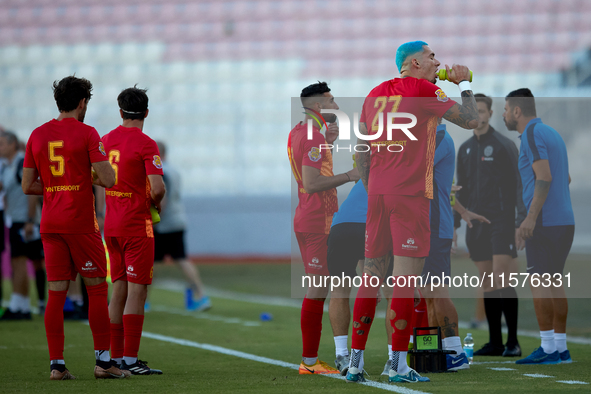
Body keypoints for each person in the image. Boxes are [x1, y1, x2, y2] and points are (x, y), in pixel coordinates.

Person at [346, 41, 479, 384]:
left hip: (377, 194)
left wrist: (372, 184)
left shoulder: (373, 94)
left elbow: (360, 149)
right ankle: (398, 364)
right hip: (410, 196)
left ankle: (356, 363)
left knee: (372, 277)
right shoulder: (422, 89)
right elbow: (471, 120)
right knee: (405, 281)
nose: (438, 62)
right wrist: (464, 83)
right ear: (415, 62)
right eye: (432, 56)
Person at [21, 75, 125, 380]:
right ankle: (103, 363)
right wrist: (79, 183)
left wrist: (57, 187)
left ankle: (57, 366)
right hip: (80, 223)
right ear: (82, 103)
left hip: (50, 224)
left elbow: (28, 185)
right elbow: (109, 180)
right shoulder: (88, 133)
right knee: (96, 290)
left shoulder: (37, 135)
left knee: (56, 294)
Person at [288, 81, 359, 374]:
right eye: (331, 101)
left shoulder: (299, 131)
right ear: (317, 107)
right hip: (318, 221)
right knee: (318, 290)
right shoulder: (312, 136)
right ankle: (309, 362)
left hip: (310, 218)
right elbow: (312, 183)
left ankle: (314, 359)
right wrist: (350, 175)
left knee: (323, 288)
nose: (337, 106)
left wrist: (328, 142)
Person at [503, 88, 575, 365]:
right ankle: (561, 348)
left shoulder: (532, 134)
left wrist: (530, 218)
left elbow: (544, 178)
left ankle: (547, 348)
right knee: (555, 282)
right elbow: (564, 178)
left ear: (518, 111)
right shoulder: (551, 133)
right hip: (563, 220)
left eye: (507, 109)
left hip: (544, 222)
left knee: (539, 283)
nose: (504, 114)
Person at [454, 94, 526, 357]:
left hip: (502, 221)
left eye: (482, 111)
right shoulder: (465, 149)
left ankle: (513, 342)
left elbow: (519, 185)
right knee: (487, 282)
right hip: (476, 225)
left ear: (490, 113)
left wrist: (520, 220)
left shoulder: (504, 145)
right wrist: (455, 222)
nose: (479, 116)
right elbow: (459, 190)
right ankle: (496, 343)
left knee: (502, 278)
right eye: (475, 112)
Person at [103, 86, 165, 375]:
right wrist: (155, 203)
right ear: (146, 113)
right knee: (137, 292)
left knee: (119, 290)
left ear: (120, 112)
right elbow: (158, 188)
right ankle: (130, 359)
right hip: (137, 226)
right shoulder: (146, 143)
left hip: (112, 225)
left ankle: (113, 358)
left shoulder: (105, 140)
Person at [153, 141, 210, 312]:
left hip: (164, 223)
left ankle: (142, 300)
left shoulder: (160, 171)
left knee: (149, 262)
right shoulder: (174, 170)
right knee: (181, 258)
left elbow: (161, 199)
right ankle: (201, 294)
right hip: (177, 219)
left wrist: (152, 220)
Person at [326, 160, 367, 375]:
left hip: (340, 227)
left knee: (339, 293)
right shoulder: (398, 169)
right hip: (370, 226)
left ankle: (342, 355)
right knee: (394, 292)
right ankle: (394, 360)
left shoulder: (366, 172)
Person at [0, 132, 45, 320]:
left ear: (12, 145)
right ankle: (19, 303)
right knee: (16, 261)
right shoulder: (6, 166)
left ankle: (22, 306)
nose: (0, 147)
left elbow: (32, 192)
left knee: (21, 261)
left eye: (2, 143)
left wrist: (29, 220)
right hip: (15, 219)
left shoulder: (21, 163)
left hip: (25, 220)